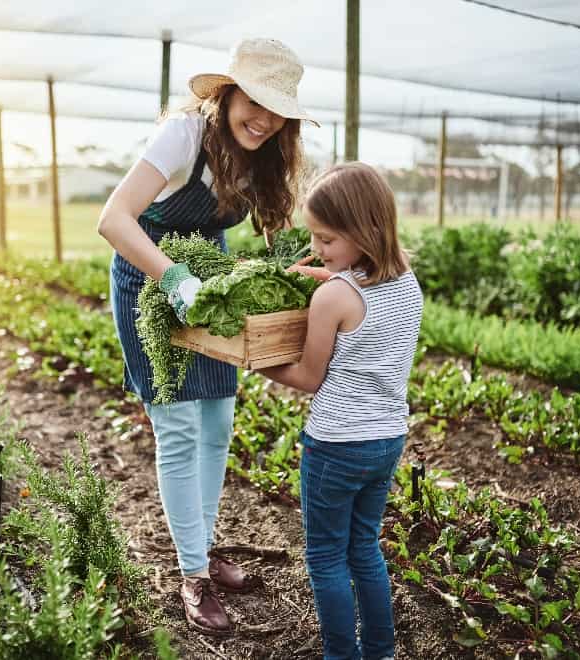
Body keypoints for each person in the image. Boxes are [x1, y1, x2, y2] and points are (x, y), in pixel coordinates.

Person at [97, 37, 318, 635]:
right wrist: (172, 279)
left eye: (278, 111)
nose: (264, 119)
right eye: (255, 102)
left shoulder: (265, 156)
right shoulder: (183, 136)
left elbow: (283, 238)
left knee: (218, 421)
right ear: (227, 93)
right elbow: (113, 219)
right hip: (149, 278)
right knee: (177, 428)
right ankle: (192, 575)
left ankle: (202, 546)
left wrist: (313, 278)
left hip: (209, 279)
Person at [258, 162, 423, 660]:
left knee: (326, 558)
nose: (317, 250)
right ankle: (380, 652)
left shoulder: (333, 297)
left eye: (326, 239)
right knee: (365, 549)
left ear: (363, 231)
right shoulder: (406, 284)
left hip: (335, 445)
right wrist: (331, 274)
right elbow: (356, 299)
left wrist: (256, 361)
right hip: (386, 440)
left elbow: (309, 378)